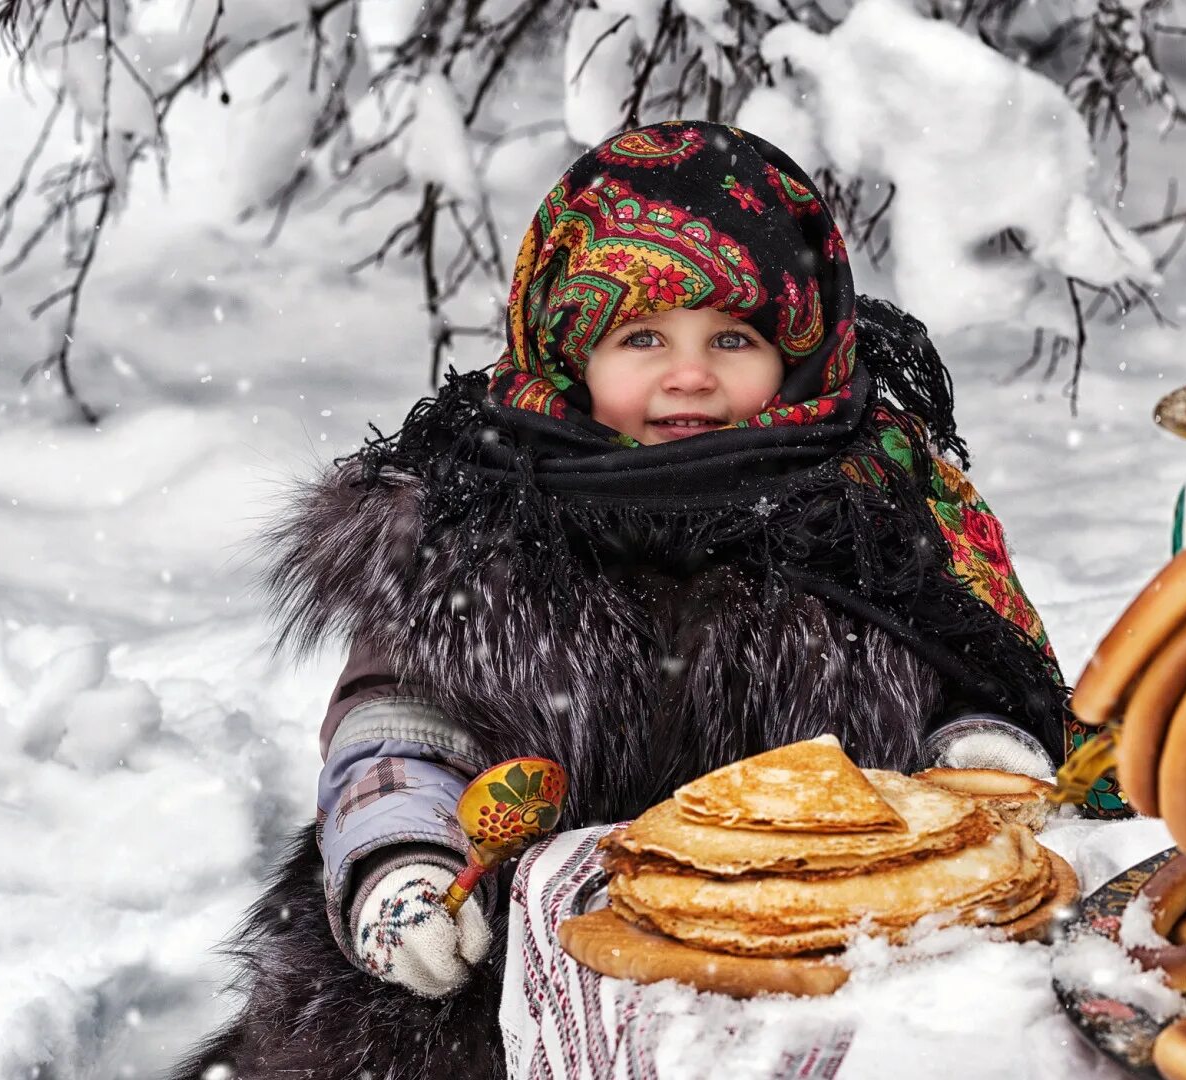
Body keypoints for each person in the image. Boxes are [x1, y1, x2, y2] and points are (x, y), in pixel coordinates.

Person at [171, 120, 1071, 1079]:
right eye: (642, 335)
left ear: (803, 348)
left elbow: (973, 674)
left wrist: (978, 752)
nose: (690, 373)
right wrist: (403, 862)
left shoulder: (877, 507)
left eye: (734, 336)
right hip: (506, 978)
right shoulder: (478, 523)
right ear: (568, 349)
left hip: (817, 962)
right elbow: (400, 726)